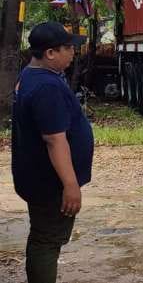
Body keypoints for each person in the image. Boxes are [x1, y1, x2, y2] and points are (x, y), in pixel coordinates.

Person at [12, 22, 94, 283]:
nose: (73, 53)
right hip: (50, 183)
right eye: (68, 48)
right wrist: (70, 185)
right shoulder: (47, 87)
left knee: (42, 237)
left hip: (36, 177)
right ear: (50, 53)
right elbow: (54, 140)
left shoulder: (31, 75)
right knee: (46, 241)